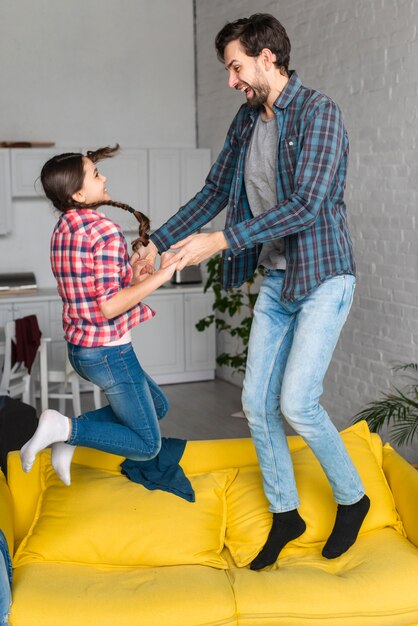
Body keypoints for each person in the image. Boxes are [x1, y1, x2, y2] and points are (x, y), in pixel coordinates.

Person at [142, 13, 370, 569]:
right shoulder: (247, 123)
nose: (232, 81)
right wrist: (158, 241)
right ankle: (286, 513)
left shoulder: (319, 114)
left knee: (297, 400)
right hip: (278, 279)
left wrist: (219, 240)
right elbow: (215, 188)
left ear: (268, 57)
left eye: (236, 67)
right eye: (228, 70)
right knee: (255, 403)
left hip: (323, 276)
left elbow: (307, 207)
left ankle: (352, 498)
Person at [20, 145, 180, 486]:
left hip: (81, 350)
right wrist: (160, 277)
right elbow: (108, 306)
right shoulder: (104, 231)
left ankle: (68, 437)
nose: (103, 177)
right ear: (78, 193)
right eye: (95, 174)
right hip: (110, 353)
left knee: (158, 405)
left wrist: (133, 277)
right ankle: (64, 428)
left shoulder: (65, 227)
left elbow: (94, 289)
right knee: (147, 444)